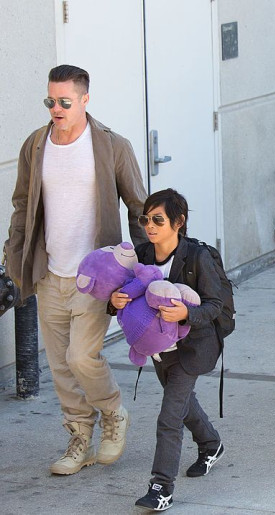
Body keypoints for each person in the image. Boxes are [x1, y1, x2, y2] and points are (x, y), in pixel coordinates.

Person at [4, 64, 147, 474]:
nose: (56, 108)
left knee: (83, 358)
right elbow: (22, 204)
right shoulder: (35, 145)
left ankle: (113, 413)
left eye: (65, 101)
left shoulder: (111, 146)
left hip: (95, 276)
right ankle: (79, 437)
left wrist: (143, 269)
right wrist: (16, 253)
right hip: (50, 273)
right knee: (61, 365)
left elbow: (137, 208)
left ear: (85, 100)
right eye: (50, 100)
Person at [110, 189, 225, 511]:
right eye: (145, 219)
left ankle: (161, 487)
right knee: (184, 404)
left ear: (179, 222)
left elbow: (216, 305)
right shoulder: (143, 254)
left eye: (157, 219)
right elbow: (128, 293)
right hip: (159, 350)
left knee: (169, 416)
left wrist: (187, 314)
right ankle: (211, 444)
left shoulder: (198, 257)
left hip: (192, 349)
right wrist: (114, 301)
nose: (149, 225)